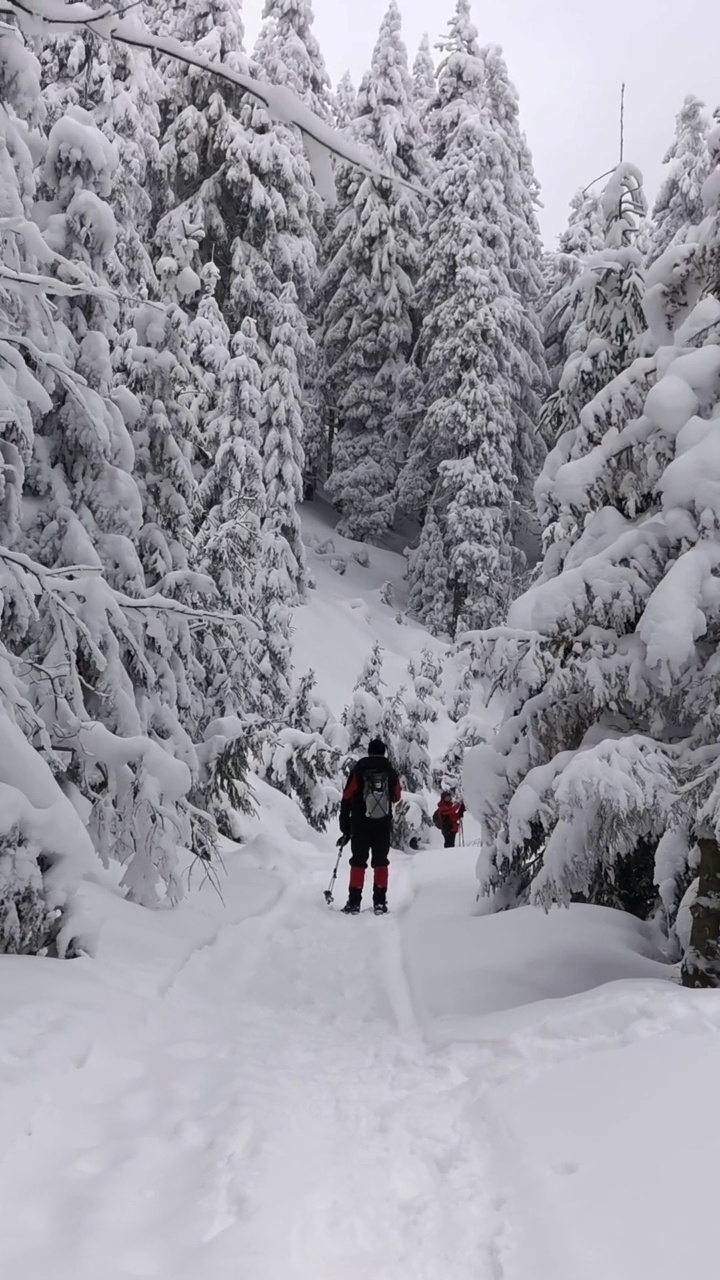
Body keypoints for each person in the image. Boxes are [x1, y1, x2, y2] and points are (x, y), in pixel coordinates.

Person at [337, 737, 401, 914]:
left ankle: (354, 902)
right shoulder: (389, 770)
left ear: (369, 750)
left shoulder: (360, 768)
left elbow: (347, 796)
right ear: (384, 752)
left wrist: (345, 827)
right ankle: (380, 903)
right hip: (382, 824)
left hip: (360, 824)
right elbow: (396, 796)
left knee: (358, 861)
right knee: (381, 862)